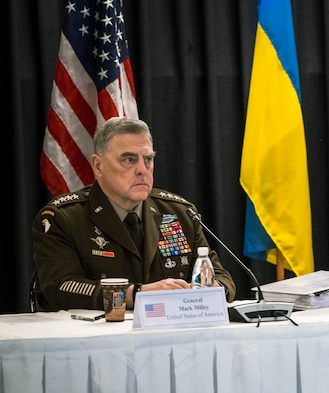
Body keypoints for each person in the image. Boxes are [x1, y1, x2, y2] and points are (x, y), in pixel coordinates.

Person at [32, 117, 236, 311]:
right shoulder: (63, 218)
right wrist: (135, 294)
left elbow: (223, 279)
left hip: (172, 330)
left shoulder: (180, 213)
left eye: (148, 159)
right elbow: (60, 288)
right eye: (129, 160)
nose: (142, 169)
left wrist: (207, 290)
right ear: (98, 166)